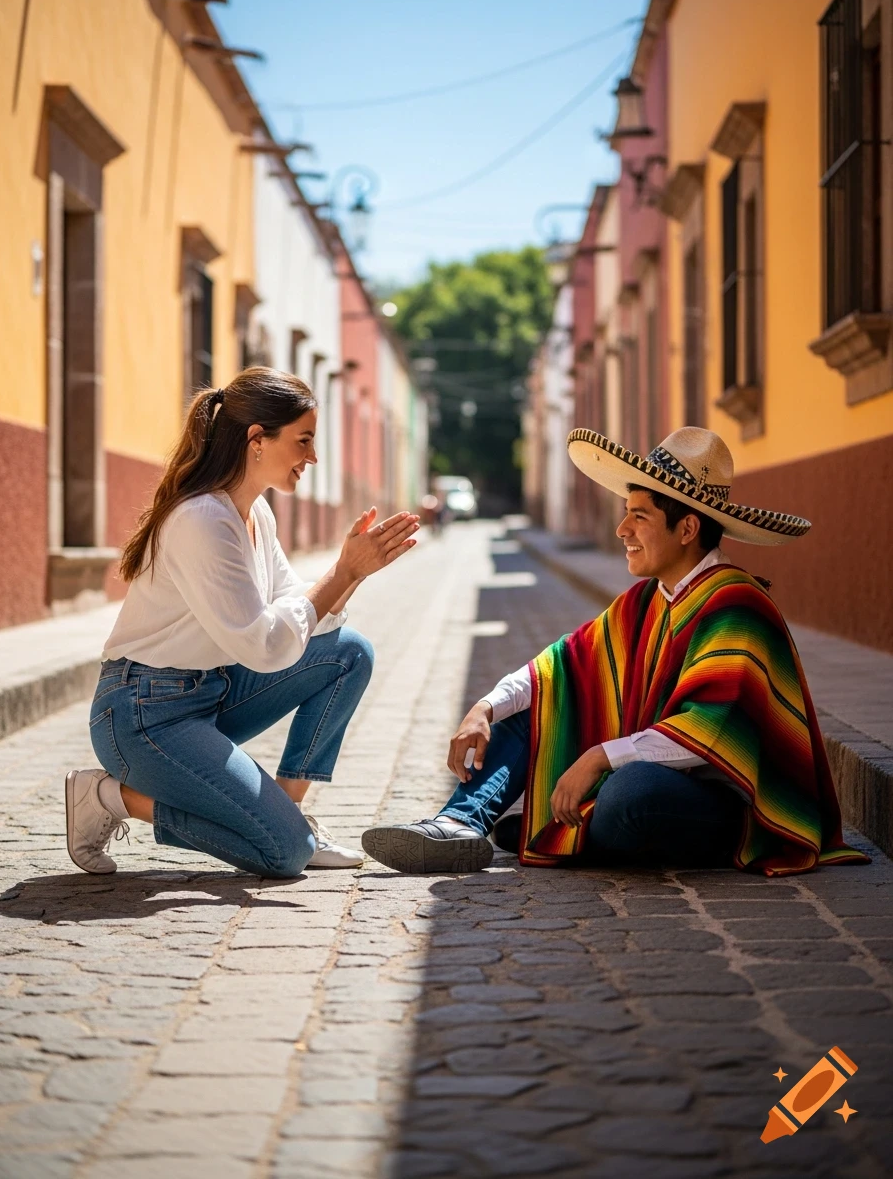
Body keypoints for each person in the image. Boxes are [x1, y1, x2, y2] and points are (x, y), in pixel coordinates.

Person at [363, 426, 869, 879]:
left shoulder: (737, 604)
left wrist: (598, 757)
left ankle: (574, 826)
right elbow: (561, 666)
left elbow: (709, 732)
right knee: (542, 698)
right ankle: (460, 822)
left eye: (638, 517)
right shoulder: (648, 600)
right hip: (665, 783)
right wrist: (485, 708)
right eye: (626, 515)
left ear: (688, 529)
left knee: (632, 793)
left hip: (735, 807)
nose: (622, 531)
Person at [65, 368, 419, 880]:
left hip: (213, 692)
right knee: (285, 853)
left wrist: (353, 574)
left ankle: (291, 810)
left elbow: (294, 609)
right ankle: (109, 797)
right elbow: (267, 645)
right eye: (303, 441)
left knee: (350, 652)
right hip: (144, 714)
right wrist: (342, 570)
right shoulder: (202, 520)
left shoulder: (255, 514)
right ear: (257, 439)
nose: (312, 457)